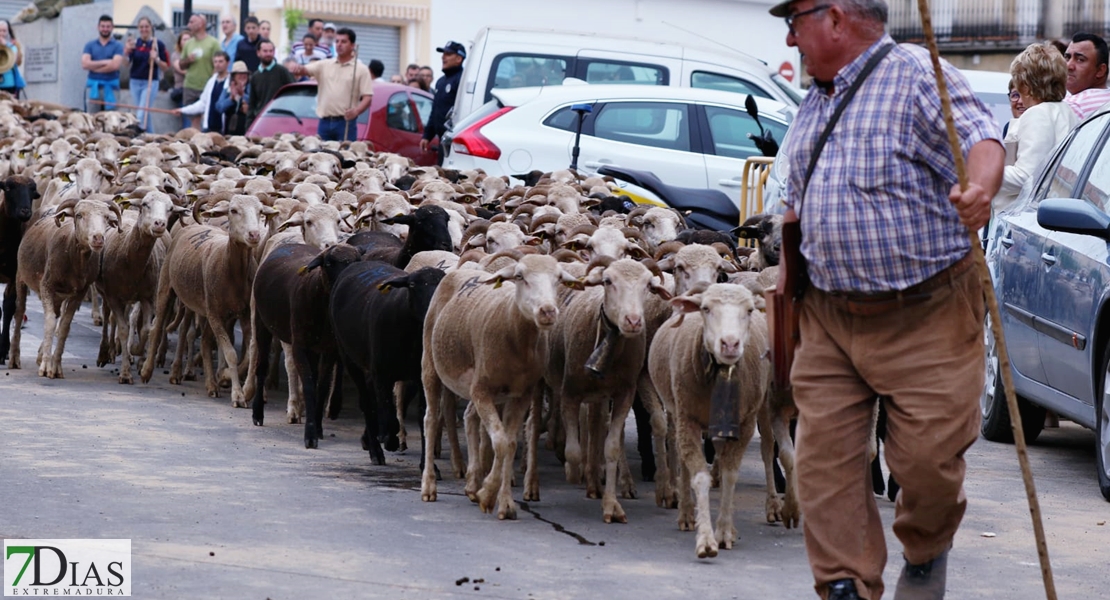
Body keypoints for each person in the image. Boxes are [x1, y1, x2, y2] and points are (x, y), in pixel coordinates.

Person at [767, 1, 1004, 599]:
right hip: (828, 316)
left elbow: (981, 139)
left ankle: (925, 553)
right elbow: (797, 195)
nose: (790, 35)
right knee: (823, 470)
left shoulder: (917, 73)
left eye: (795, 19)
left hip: (926, 315)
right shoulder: (813, 101)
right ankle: (845, 583)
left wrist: (980, 188)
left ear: (838, 18)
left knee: (927, 467)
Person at [993, 43, 1076, 213]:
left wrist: (982, 171)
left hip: (1028, 217)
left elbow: (1027, 177)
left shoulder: (1038, 114)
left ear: (1026, 85)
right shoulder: (1065, 111)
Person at [288, 27, 372, 141]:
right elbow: (305, 70)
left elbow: (368, 97)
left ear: (352, 45)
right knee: (321, 157)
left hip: (346, 123)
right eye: (337, 41)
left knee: (346, 157)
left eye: (344, 41)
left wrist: (356, 111)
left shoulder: (361, 69)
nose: (339, 44)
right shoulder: (324, 64)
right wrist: (297, 68)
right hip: (324, 122)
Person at [421, 41, 465, 165]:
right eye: (443, 53)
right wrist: (427, 135)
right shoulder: (441, 82)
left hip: (455, 142)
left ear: (459, 58)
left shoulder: (462, 80)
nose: (443, 57)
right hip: (442, 142)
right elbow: (435, 110)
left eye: (448, 54)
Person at [124, 17, 170, 130]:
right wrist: (126, 52)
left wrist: (157, 58)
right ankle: (151, 136)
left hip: (150, 82)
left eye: (146, 27)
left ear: (151, 28)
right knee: (144, 111)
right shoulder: (135, 44)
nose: (144, 29)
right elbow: (125, 64)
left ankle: (138, 132)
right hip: (135, 81)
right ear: (138, 28)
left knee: (142, 111)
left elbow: (166, 67)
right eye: (141, 27)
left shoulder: (158, 44)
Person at [179, 13, 221, 130]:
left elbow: (219, 64)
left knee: (206, 118)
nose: (189, 25)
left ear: (201, 23)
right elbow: (181, 65)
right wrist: (189, 60)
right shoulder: (189, 43)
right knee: (192, 119)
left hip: (206, 86)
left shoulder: (213, 43)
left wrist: (212, 81)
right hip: (190, 86)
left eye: (192, 22)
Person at [176, 51, 230, 133]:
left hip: (224, 128)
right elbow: (202, 103)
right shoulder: (211, 81)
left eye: (221, 61)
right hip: (209, 127)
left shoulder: (231, 82)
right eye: (215, 62)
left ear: (228, 63)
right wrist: (182, 110)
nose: (218, 64)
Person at [81, 15, 124, 112]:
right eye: (103, 26)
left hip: (111, 88)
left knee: (112, 121)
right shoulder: (90, 45)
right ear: (98, 27)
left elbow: (115, 65)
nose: (105, 29)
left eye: (108, 26)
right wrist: (106, 62)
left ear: (112, 28)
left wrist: (93, 67)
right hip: (93, 88)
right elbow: (84, 64)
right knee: (92, 120)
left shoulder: (118, 46)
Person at [1063, 32, 1110, 120]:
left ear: (1100, 70)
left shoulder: (1073, 106)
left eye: (1080, 60)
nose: (1069, 66)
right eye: (1067, 58)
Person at [247, 39, 295, 124]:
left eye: (271, 51)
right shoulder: (255, 76)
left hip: (280, 120)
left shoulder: (282, 71)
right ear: (258, 53)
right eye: (265, 51)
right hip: (260, 121)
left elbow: (293, 92)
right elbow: (252, 104)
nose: (268, 54)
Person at [217, 60, 251, 135]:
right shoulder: (227, 90)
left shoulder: (251, 89)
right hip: (229, 130)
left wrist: (243, 95)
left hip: (247, 130)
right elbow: (219, 107)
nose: (242, 76)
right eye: (239, 74)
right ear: (234, 76)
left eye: (244, 74)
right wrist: (231, 98)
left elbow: (255, 103)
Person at [170, 31, 191, 128]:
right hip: (182, 89)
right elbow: (181, 69)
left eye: (189, 39)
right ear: (180, 42)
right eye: (184, 39)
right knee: (186, 116)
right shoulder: (176, 55)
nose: (187, 41)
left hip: (195, 88)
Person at [0, 19, 25, 97]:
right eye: (0, 30)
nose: (1, 33)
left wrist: (6, 45)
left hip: (10, 84)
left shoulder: (13, 46)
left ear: (8, 32)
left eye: (4, 31)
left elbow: (16, 61)